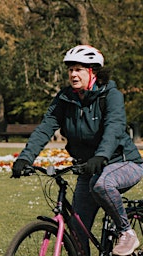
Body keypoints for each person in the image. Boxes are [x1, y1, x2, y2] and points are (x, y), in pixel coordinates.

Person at [11, 45, 143, 256]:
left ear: (93, 72)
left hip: (123, 163)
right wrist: (24, 159)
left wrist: (101, 155)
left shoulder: (110, 95)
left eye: (79, 69)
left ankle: (126, 232)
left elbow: (114, 128)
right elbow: (45, 128)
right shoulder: (65, 99)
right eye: (71, 69)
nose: (73, 74)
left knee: (101, 184)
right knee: (76, 233)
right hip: (87, 168)